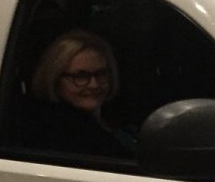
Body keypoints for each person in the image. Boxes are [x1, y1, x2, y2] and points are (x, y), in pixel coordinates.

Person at [15, 29, 134, 158]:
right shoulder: (60, 135)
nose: (94, 84)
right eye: (80, 77)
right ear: (55, 80)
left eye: (101, 74)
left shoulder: (112, 119)